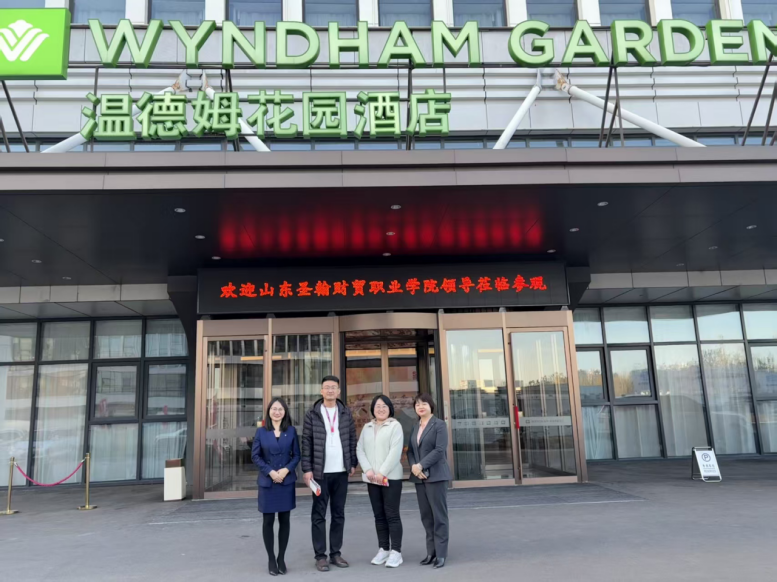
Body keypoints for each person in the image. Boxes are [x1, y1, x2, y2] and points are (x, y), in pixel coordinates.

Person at [301, 375, 357, 572]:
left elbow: (352, 438)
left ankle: (335, 553)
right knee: (319, 514)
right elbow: (306, 442)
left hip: (341, 472)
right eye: (327, 387)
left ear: (339, 391)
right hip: (320, 473)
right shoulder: (312, 414)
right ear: (321, 391)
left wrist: (352, 462)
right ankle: (320, 556)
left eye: (334, 387)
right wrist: (307, 469)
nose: (330, 390)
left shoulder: (345, 413)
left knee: (338, 513)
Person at [251, 397, 300, 576]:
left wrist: (286, 470)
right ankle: (271, 559)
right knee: (268, 521)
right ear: (269, 411)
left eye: (280, 409)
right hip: (268, 482)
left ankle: (281, 558)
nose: (277, 412)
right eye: (274, 409)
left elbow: (296, 455)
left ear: (285, 412)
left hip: (286, 482)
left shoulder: (291, 431)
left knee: (285, 520)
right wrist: (270, 472)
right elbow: (255, 456)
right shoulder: (261, 432)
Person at [356, 395, 405, 568]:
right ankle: (384, 549)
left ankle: (396, 552)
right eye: (378, 406)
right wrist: (368, 470)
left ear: (390, 408)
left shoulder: (395, 426)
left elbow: (395, 452)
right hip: (372, 479)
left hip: (391, 478)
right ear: (373, 409)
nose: (381, 409)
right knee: (379, 515)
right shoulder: (367, 427)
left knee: (392, 514)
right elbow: (360, 449)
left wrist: (382, 472)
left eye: (384, 406)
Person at [407, 393, 452, 569]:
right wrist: (414, 466)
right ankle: (431, 552)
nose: (420, 407)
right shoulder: (415, 426)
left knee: (439, 516)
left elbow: (440, 450)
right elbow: (411, 451)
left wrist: (420, 465)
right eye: (417, 404)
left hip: (436, 476)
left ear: (431, 406)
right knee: (426, 516)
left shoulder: (439, 425)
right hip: (420, 478)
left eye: (424, 404)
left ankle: (441, 554)